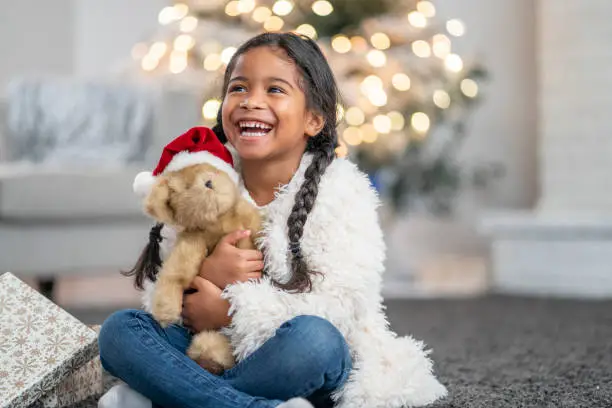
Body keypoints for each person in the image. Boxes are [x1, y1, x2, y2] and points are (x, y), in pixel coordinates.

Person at [98, 32, 447, 408]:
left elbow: (341, 308)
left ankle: (171, 396)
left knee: (315, 341)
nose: (252, 102)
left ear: (313, 119)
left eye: (275, 90)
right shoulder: (204, 180)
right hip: (209, 352)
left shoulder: (343, 194)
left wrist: (231, 308)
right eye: (239, 88)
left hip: (294, 356)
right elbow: (163, 293)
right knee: (120, 331)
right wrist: (207, 277)